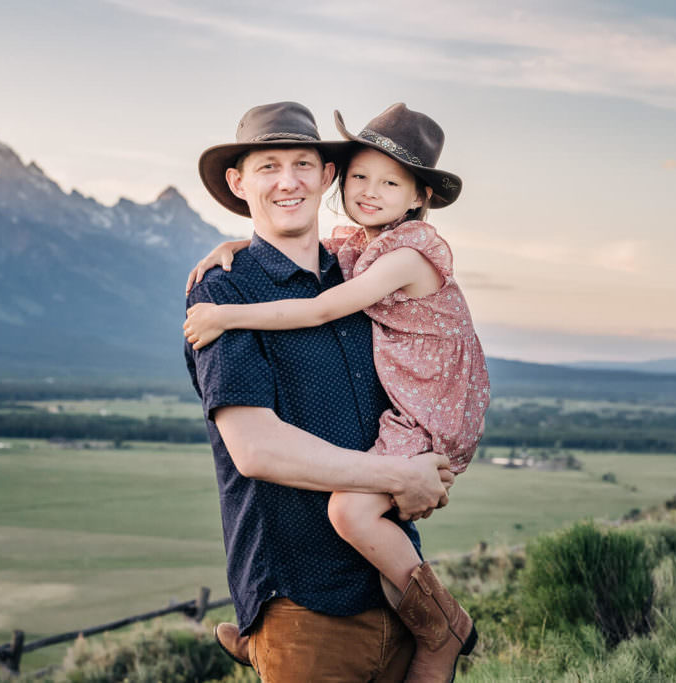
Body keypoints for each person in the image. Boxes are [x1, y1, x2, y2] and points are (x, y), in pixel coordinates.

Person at [185, 103, 488, 682]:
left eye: (304, 163)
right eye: (267, 166)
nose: (288, 180)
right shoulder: (223, 293)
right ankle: (264, 637)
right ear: (238, 182)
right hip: (302, 605)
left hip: (393, 594)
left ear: (326, 178)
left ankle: (438, 627)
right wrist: (400, 478)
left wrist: (413, 472)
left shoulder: (357, 273)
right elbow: (256, 451)